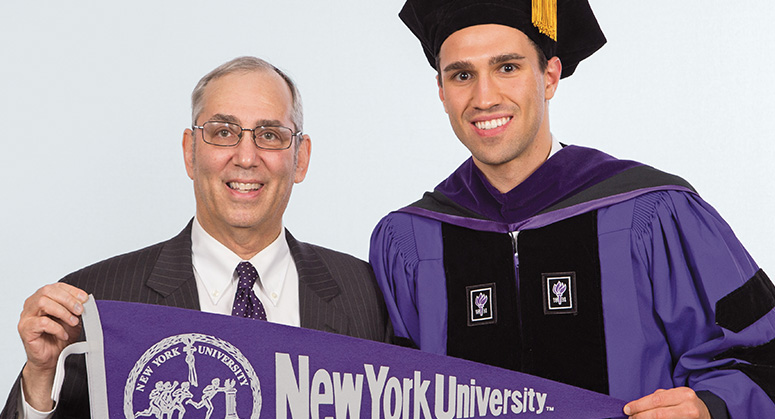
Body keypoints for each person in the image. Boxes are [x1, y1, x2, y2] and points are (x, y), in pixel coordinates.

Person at [369, 1, 775, 418]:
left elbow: (764, 356)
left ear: (549, 76)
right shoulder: (409, 241)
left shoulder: (652, 211)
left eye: (507, 67)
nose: (484, 97)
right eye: (462, 75)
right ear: (441, 92)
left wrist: (711, 408)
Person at [3, 56, 391, 419]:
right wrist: (40, 379)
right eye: (223, 132)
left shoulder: (370, 297)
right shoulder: (94, 303)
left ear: (300, 158)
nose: (246, 156)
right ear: (190, 152)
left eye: (270, 135)